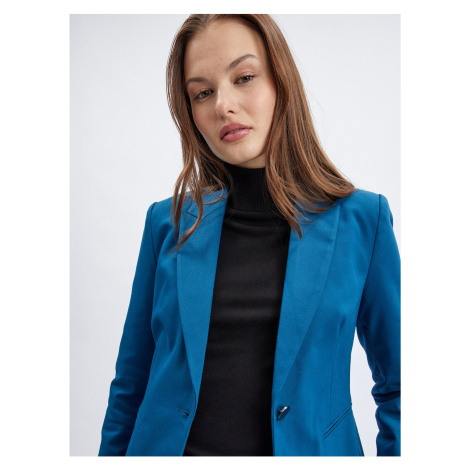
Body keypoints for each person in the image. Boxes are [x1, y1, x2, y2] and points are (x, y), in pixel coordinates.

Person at [98, 14, 400, 457]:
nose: (223, 105)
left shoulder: (362, 222)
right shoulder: (167, 222)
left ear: (281, 80)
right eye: (202, 93)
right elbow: (131, 384)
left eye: (243, 77)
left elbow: (401, 386)